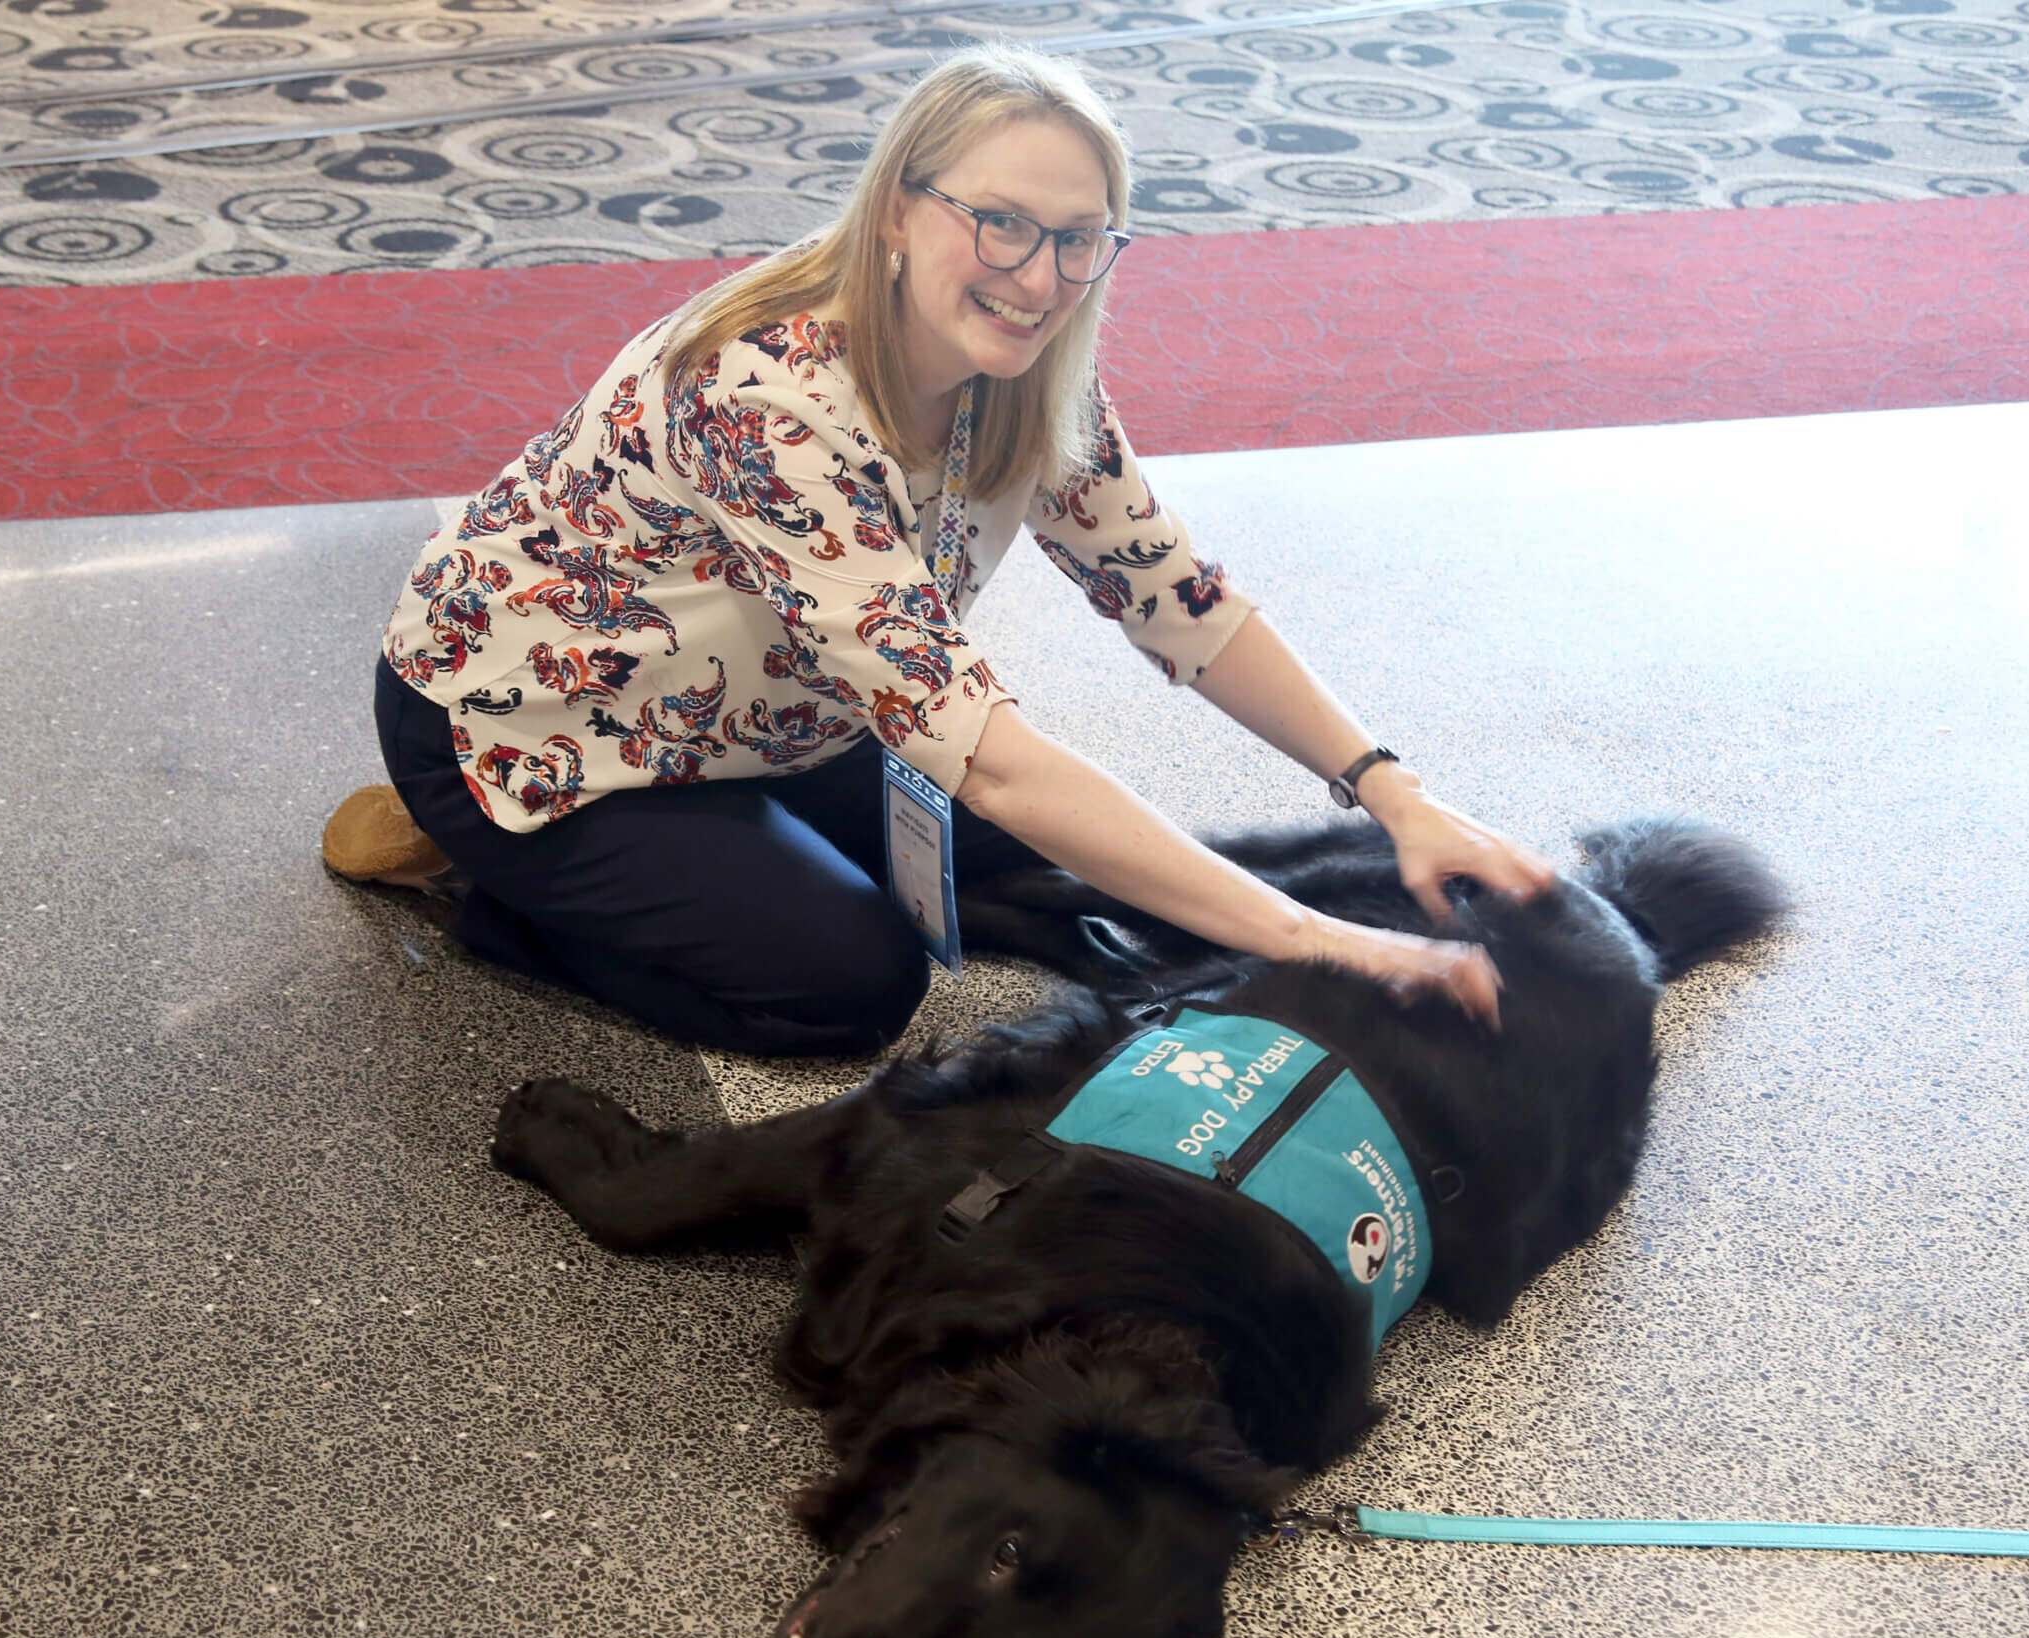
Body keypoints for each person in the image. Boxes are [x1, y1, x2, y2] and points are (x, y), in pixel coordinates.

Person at [324, 43, 1553, 1058]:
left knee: (1062, 868)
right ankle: (487, 886)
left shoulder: (1024, 373)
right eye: (1001, 223)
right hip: (533, 728)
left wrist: (1392, 792)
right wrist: (1317, 941)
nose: (1041, 278)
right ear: (899, 210)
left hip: (772, 715)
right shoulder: (762, 393)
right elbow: (994, 760)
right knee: (849, 985)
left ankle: (675, 860)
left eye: (1080, 239)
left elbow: (1174, 598)